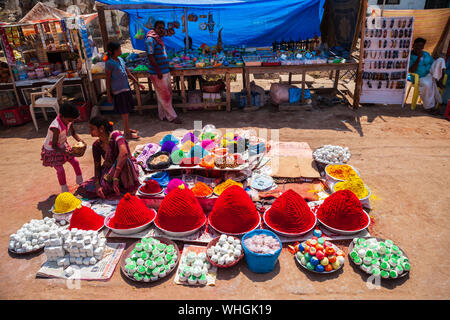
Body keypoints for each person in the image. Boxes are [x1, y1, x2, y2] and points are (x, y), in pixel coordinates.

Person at [81, 117, 140, 199]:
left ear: (101, 128)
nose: (89, 131)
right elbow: (97, 166)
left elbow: (124, 153)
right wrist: (97, 185)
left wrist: (115, 177)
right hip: (110, 170)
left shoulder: (116, 135)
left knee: (112, 184)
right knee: (85, 188)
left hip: (123, 168)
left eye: (92, 128)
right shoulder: (96, 145)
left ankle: (121, 185)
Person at [41, 103, 85, 193]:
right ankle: (64, 190)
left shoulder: (69, 120)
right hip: (52, 149)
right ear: (62, 116)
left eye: (72, 120)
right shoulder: (56, 127)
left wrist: (80, 140)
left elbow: (73, 133)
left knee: (75, 162)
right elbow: (54, 145)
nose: (70, 122)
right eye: (69, 120)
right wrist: (65, 152)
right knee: (60, 170)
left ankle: (81, 183)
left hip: (62, 145)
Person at [105, 41, 144, 139]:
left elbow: (128, 73)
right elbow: (108, 80)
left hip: (126, 88)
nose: (120, 50)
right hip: (118, 91)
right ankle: (127, 133)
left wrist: (137, 83)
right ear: (112, 52)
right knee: (124, 112)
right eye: (118, 49)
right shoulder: (109, 63)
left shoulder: (121, 60)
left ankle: (127, 129)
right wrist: (109, 95)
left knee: (127, 110)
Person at [145, 21, 182, 124]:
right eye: (159, 28)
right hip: (158, 72)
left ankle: (163, 115)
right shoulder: (150, 40)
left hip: (164, 70)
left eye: (163, 28)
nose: (162, 30)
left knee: (164, 94)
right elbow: (150, 56)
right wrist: (158, 70)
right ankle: (173, 117)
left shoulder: (158, 38)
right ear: (155, 28)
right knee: (165, 95)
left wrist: (167, 66)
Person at [409, 37, 446, 113]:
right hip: (420, 77)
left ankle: (437, 79)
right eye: (418, 46)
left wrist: (437, 70)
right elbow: (411, 70)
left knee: (440, 60)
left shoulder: (426, 54)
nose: (419, 48)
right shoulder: (410, 56)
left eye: (421, 46)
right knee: (427, 84)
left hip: (430, 74)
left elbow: (433, 63)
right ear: (413, 45)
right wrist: (418, 57)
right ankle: (429, 107)